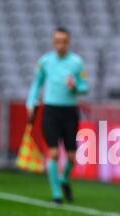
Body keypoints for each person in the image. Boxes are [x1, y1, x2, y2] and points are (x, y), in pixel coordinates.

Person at [26, 27, 89, 204]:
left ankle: (64, 179)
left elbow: (85, 87)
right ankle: (57, 194)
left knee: (71, 157)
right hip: (51, 111)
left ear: (69, 42)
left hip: (70, 113)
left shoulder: (77, 62)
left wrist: (75, 86)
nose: (60, 45)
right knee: (53, 153)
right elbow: (36, 85)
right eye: (57, 41)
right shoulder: (45, 62)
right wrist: (30, 103)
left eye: (64, 41)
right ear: (53, 42)